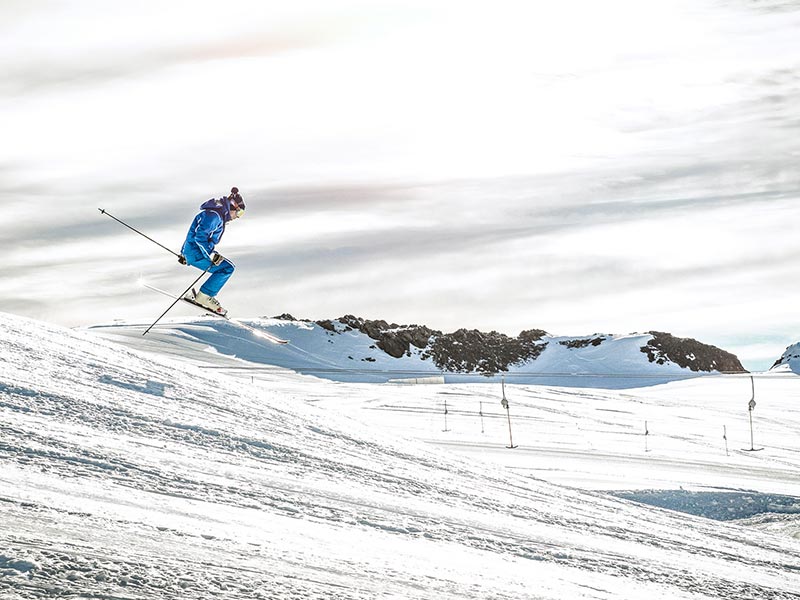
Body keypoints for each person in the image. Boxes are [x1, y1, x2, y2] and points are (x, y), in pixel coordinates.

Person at [180, 187, 246, 316]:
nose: (237, 217)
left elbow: (194, 233)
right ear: (233, 206)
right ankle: (205, 296)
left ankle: (205, 295)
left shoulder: (215, 214)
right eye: (239, 213)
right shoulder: (214, 216)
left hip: (192, 252)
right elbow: (199, 237)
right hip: (196, 252)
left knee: (224, 267)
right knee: (227, 268)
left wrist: (184, 253)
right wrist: (211, 255)